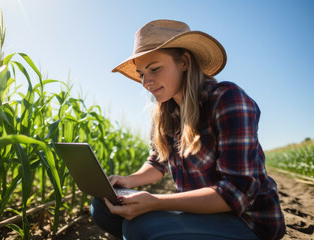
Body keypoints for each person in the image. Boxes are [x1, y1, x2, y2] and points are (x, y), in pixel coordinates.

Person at [90, 19, 286, 240]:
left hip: (247, 222)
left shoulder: (228, 100)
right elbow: (157, 163)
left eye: (154, 68)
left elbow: (236, 193)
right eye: (142, 73)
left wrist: (154, 203)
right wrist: (127, 181)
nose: (146, 82)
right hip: (200, 215)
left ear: (184, 62)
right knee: (102, 208)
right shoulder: (166, 113)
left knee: (141, 229)